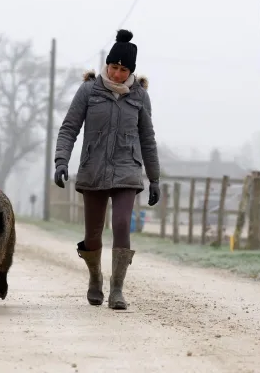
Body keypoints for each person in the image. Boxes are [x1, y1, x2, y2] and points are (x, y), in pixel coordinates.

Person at [53, 29, 161, 310]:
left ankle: (117, 289)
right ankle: (94, 278)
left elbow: (148, 139)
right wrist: (61, 161)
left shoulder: (139, 97)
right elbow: (69, 128)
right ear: (108, 65)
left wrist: (155, 178)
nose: (116, 75)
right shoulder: (89, 90)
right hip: (94, 170)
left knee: (123, 224)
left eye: (123, 70)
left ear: (131, 71)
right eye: (114, 67)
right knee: (93, 233)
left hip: (127, 170)